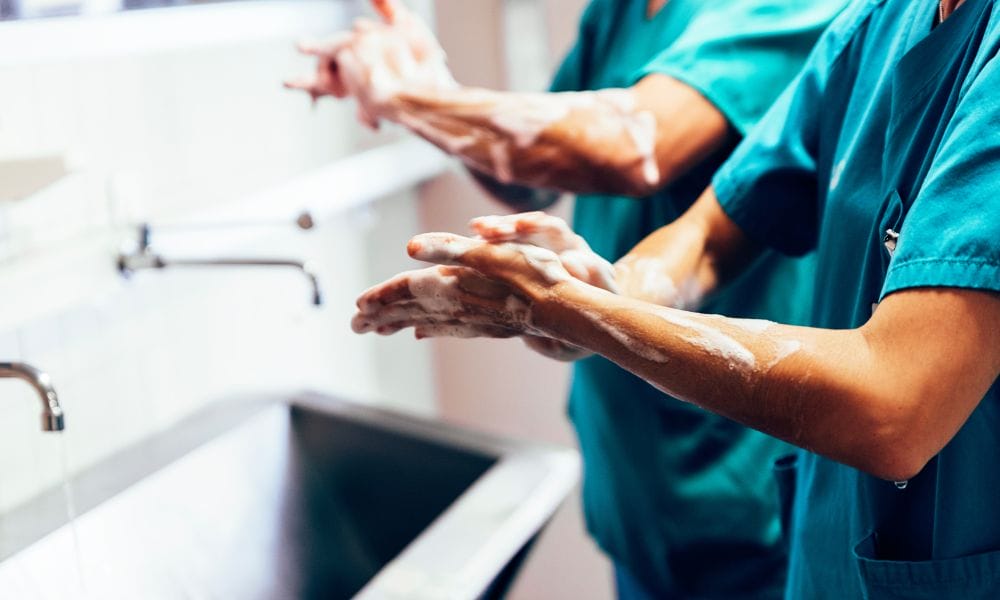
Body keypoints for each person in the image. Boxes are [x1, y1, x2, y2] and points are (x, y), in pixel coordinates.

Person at [353, 0, 1000, 597]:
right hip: (809, 548)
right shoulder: (880, 22)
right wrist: (605, 290)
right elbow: (711, 233)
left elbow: (892, 409)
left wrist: (580, 313)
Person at [288, 1, 847, 597]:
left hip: (737, 485)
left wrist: (405, 92)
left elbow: (627, 143)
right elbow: (530, 172)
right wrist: (434, 92)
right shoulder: (619, 10)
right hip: (632, 476)